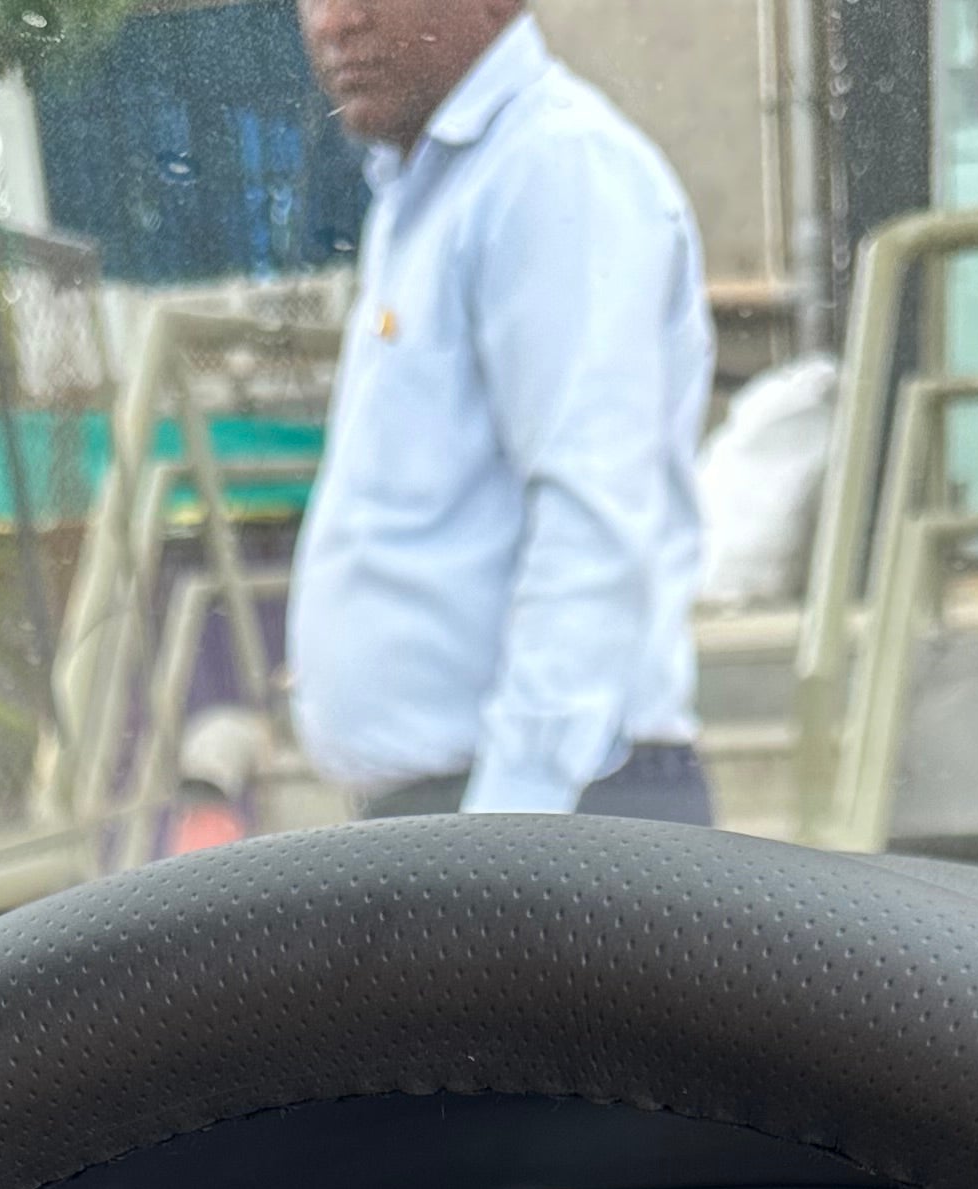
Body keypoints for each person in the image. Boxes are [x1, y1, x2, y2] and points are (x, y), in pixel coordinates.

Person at [288, 0, 713, 823]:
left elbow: (590, 522)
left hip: (550, 811)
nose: (335, 21)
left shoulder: (553, 166)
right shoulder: (428, 192)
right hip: (493, 814)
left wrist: (504, 844)